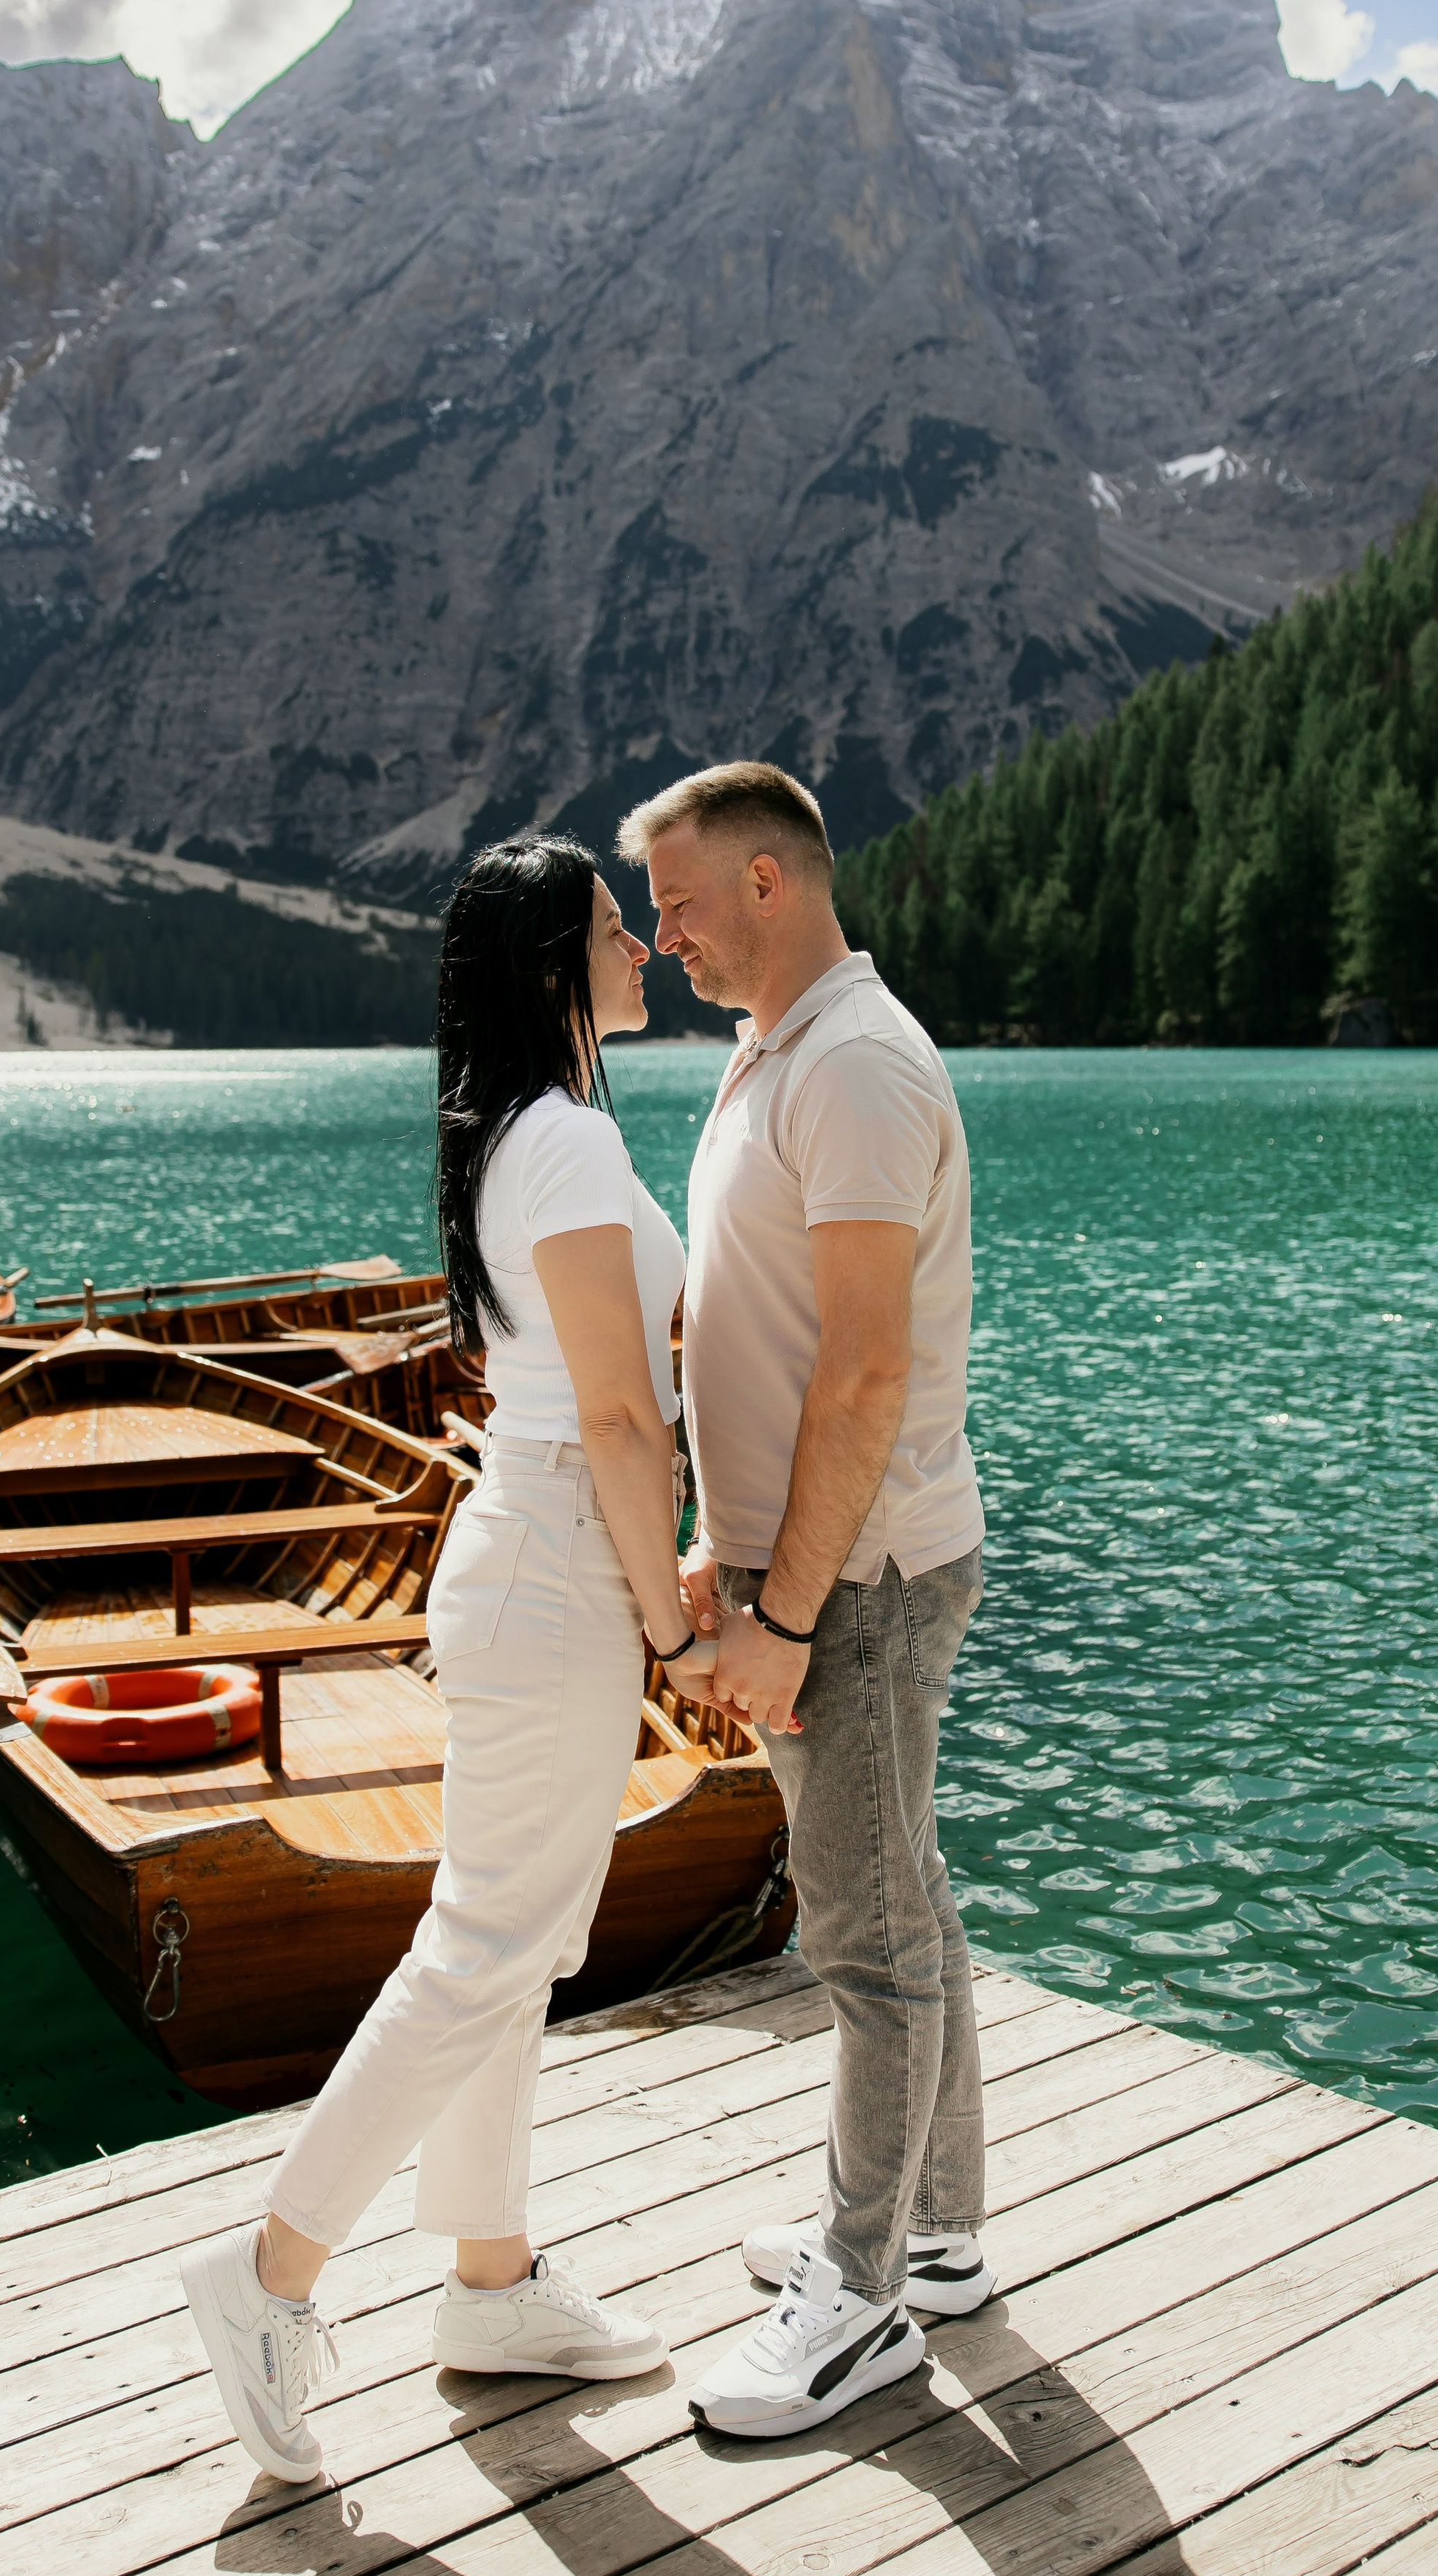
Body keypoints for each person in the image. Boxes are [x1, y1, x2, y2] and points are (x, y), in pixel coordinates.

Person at [178, 835, 715, 2484]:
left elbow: (622, 1387)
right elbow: (620, 1416)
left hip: (542, 1555)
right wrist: (677, 1616)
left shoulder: (543, 1134)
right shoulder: (553, 1146)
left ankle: (488, 2282)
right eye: (617, 928)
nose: (641, 949)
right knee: (484, 1942)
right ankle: (267, 2273)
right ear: (557, 957)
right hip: (556, 1555)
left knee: (516, 1935)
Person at [616, 760, 991, 2441]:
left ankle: (859, 2301)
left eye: (678, 902)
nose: (658, 936)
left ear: (767, 882)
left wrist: (778, 1615)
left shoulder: (850, 1066)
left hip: (863, 1574)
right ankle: (933, 2228)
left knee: (858, 1930)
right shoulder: (775, 1054)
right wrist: (721, 1539)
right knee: (899, 1892)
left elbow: (860, 1376)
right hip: (804, 1557)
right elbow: (751, 1341)